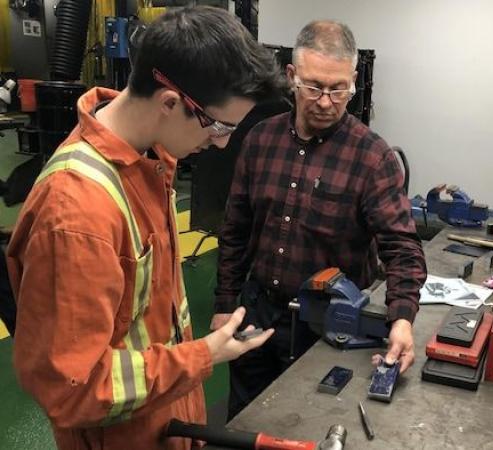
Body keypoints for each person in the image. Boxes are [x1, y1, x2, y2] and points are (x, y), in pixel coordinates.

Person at [6, 7, 285, 450]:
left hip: (164, 422)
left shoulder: (149, 166)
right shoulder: (79, 213)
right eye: (218, 126)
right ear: (170, 102)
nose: (223, 143)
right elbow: (74, 388)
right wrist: (203, 355)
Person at [213, 20, 427, 419]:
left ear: (353, 80)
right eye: (314, 87)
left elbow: (402, 248)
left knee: (312, 426)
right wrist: (226, 303)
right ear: (292, 77)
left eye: (338, 89)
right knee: (244, 422)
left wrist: (402, 318)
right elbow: (236, 231)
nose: (326, 101)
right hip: (258, 315)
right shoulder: (260, 140)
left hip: (329, 328)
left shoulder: (372, 157)